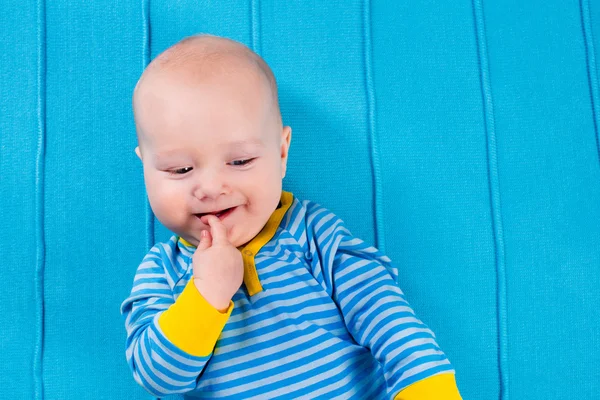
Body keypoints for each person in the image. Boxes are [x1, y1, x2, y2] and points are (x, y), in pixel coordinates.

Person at [120, 33, 462, 399]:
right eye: (180, 169)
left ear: (281, 153)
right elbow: (159, 378)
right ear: (146, 167)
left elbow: (385, 316)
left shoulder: (312, 234)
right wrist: (205, 296)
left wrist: (429, 386)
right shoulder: (163, 272)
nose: (211, 187)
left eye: (240, 161)